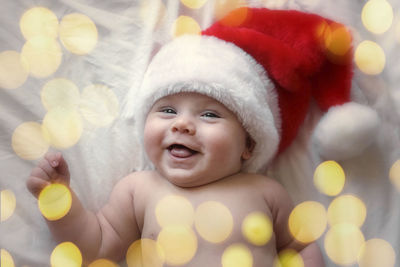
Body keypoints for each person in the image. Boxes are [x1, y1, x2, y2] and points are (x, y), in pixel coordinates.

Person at [27, 7, 366, 266]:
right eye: (168, 111)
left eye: (209, 115)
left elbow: (301, 245)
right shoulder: (139, 189)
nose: (183, 125)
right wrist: (59, 201)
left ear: (248, 145)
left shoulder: (265, 192)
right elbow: (95, 248)